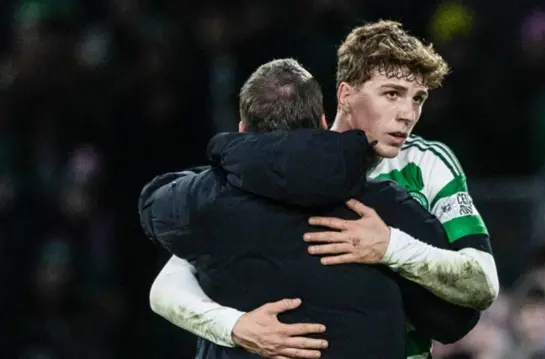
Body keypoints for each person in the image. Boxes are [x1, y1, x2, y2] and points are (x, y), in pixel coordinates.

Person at [147, 21, 499, 359]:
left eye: (418, 98)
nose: (407, 113)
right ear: (346, 95)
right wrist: (234, 326)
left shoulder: (428, 163)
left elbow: (482, 284)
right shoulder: (284, 171)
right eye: (392, 94)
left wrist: (390, 246)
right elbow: (169, 284)